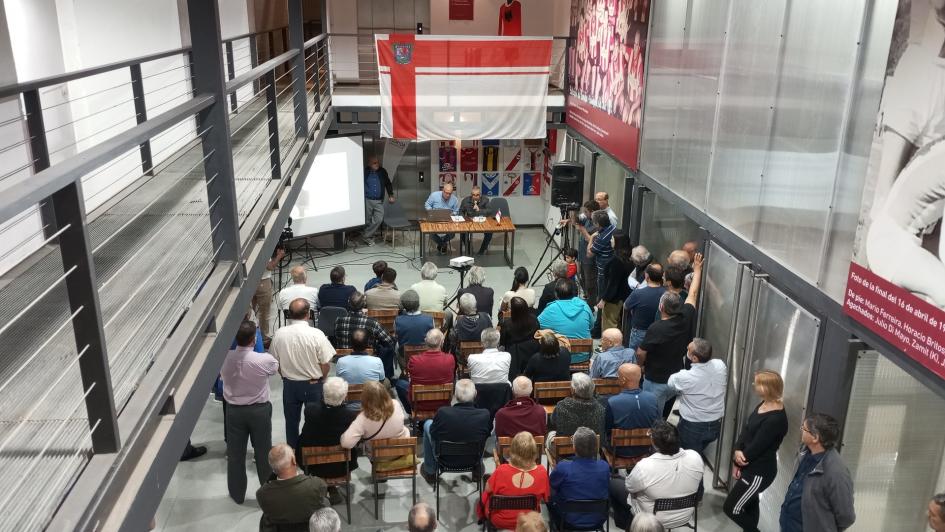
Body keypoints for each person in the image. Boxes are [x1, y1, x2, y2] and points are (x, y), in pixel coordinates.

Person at [636, 252, 703, 416]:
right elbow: (693, 294)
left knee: (651, 415)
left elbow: (641, 352)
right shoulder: (686, 316)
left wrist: (640, 366)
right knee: (665, 411)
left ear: (661, 308)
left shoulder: (656, 328)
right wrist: (698, 269)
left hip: (655, 380)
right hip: (676, 378)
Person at [723, 369, 789, 532]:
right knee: (751, 504)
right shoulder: (763, 404)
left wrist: (741, 459)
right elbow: (747, 429)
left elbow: (758, 446)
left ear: (767, 388)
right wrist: (737, 451)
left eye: (757, 383)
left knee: (732, 508)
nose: (754, 385)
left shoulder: (775, 419)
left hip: (758, 472)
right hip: (748, 465)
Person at [222, 320, 279, 503]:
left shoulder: (224, 357)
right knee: (263, 454)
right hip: (259, 411)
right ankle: (268, 494)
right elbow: (274, 370)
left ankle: (237, 495)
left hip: (233, 412)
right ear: (254, 340)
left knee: (235, 455)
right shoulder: (264, 360)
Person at [610, 420, 703, 529]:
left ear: (654, 444)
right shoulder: (695, 457)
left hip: (652, 521)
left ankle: (628, 525)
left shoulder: (645, 467)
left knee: (613, 483)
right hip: (685, 516)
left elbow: (629, 487)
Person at [269, 299, 336, 449]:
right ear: (309, 314)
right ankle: (313, 453)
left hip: (290, 385)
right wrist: (322, 377)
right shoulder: (317, 334)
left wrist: (285, 375)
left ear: (289, 314)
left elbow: (274, 362)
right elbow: (326, 363)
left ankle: (292, 453)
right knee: (315, 422)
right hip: (313, 384)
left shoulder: (279, 334)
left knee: (291, 423)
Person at [779, 413, 855, 532]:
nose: (801, 431)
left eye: (804, 429)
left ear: (815, 438)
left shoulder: (836, 473)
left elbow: (846, 517)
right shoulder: (804, 452)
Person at [296, 377, 359, 502]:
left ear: (323, 393)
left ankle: (327, 488)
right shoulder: (349, 415)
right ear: (344, 396)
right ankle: (331, 488)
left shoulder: (310, 410)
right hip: (341, 466)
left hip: (314, 466)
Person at [420, 379, 492, 484]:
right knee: (481, 437)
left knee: (427, 424)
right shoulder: (484, 415)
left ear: (455, 395)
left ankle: (430, 471)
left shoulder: (442, 412)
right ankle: (477, 470)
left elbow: (434, 434)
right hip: (473, 459)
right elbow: (486, 435)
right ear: (475, 394)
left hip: (444, 459)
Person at [478, 432, 550, 530]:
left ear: (513, 450)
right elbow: (546, 498)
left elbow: (488, 489)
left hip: (499, 520)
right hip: (527, 521)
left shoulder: (501, 470)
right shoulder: (542, 472)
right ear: (534, 451)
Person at [667, 338, 726, 454]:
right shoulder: (720, 365)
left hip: (692, 426)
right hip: (715, 424)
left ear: (694, 358)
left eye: (688, 349)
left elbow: (671, 384)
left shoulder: (684, 377)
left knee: (687, 458)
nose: (686, 350)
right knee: (696, 453)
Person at [548, 427, 610, 530]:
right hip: (598, 520)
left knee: (551, 489)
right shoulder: (604, 467)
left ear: (574, 448)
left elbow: (552, 484)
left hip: (567, 520)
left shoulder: (563, 467)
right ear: (596, 447)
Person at [340, 381, 411, 470]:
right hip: (401, 451)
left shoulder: (363, 417)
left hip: (378, 457)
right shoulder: (395, 404)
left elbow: (346, 443)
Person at [257, 443, 327, 532]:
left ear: (273, 468)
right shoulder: (316, 485)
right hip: (309, 527)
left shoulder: (262, 494)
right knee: (325, 502)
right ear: (294, 460)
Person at [334, 291, 397, 379]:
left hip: (343, 362)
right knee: (387, 346)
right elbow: (389, 340)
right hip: (368, 361)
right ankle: (389, 377)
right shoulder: (372, 323)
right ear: (364, 305)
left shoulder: (338, 321)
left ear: (348, 304)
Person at [394, 328, 455, 415]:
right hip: (443, 404)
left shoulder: (414, 360)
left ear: (425, 342)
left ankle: (412, 414)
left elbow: (409, 375)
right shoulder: (450, 359)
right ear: (442, 342)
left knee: (399, 384)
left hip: (419, 405)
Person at [604, 364, 660, 458]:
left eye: (618, 376)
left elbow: (607, 429)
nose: (617, 379)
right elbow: (656, 423)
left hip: (618, 450)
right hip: (645, 448)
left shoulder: (613, 402)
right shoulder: (653, 398)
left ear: (623, 380)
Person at [537, 279, 594, 360]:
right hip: (584, 356)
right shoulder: (584, 306)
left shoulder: (551, 309)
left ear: (556, 294)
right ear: (573, 293)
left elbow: (536, 326)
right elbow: (591, 326)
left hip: (559, 357)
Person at [548, 373, 606, 446]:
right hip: (591, 451)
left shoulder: (561, 406)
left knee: (550, 434)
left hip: (564, 451)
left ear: (573, 390)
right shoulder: (600, 409)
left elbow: (553, 421)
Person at [624, 263, 666, 352]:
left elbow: (626, 306)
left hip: (639, 332)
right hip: (660, 331)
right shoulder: (667, 294)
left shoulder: (638, 293)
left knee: (635, 358)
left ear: (647, 276)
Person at [598, 230, 633, 330]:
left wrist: (604, 299)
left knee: (609, 325)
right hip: (623, 297)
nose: (610, 241)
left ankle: (609, 345)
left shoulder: (616, 260)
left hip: (613, 300)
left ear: (618, 241)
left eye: (612, 239)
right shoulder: (627, 258)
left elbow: (613, 283)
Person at [500, 296, 541, 380]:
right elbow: (537, 335)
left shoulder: (507, 324)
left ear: (513, 311)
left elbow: (502, 343)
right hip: (532, 354)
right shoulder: (534, 320)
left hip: (514, 359)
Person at [362, 156, 395, 246]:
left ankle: (366, 235)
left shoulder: (382, 171)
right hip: (367, 200)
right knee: (367, 220)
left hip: (378, 200)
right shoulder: (365, 171)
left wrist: (391, 195)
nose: (377, 164)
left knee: (379, 219)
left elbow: (388, 183)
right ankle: (368, 237)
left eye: (377, 162)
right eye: (374, 163)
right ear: (369, 164)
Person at [572, 199, 600, 303]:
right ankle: (587, 296)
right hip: (582, 255)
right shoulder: (587, 219)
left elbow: (592, 241)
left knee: (590, 283)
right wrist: (574, 211)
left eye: (586, 212)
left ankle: (592, 303)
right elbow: (576, 221)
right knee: (582, 279)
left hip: (590, 259)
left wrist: (583, 230)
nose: (584, 213)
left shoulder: (597, 224)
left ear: (592, 212)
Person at [254, 245, 285, 339]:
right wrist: (279, 256)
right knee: (264, 312)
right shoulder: (259, 247)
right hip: (262, 282)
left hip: (249, 282)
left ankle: (251, 334)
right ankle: (263, 337)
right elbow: (270, 266)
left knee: (251, 311)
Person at [586, 210, 617, 298]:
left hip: (603, 270)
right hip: (612, 265)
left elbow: (589, 254)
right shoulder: (613, 228)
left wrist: (591, 238)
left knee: (602, 294)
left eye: (593, 221)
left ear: (598, 224)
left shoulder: (602, 238)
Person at [424, 182, 460, 253]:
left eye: (450, 193)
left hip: (448, 221)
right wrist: (431, 211)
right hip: (435, 220)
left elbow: (456, 211)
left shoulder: (454, 199)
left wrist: (453, 214)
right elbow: (427, 204)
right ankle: (443, 244)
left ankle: (441, 243)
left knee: (452, 233)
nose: (448, 195)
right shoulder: (434, 195)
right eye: (446, 193)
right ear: (443, 190)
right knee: (431, 233)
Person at [460, 185, 493, 255]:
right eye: (473, 195)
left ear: (480, 195)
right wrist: (464, 218)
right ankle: (469, 249)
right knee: (463, 233)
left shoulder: (485, 200)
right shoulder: (465, 201)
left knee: (489, 233)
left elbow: (490, 211)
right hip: (470, 221)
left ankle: (482, 250)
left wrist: (479, 210)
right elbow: (460, 211)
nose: (475, 196)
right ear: (471, 195)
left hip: (482, 221)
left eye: (477, 195)